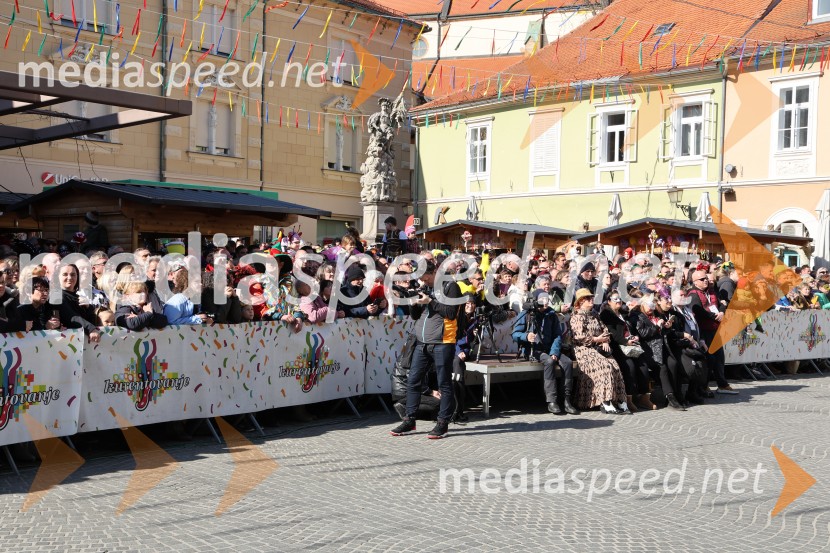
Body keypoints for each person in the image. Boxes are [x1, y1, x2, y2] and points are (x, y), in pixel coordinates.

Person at [390, 260, 462, 439]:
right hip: (422, 342)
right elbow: (415, 316)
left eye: (425, 277)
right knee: (413, 381)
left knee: (444, 383)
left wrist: (430, 301)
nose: (423, 281)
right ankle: (410, 420)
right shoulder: (426, 287)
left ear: (434, 272)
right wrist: (414, 304)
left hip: (443, 341)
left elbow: (451, 313)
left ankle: (443, 422)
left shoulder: (450, 286)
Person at [512, 289, 579, 415]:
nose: (546, 302)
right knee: (549, 362)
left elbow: (557, 336)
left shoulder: (551, 314)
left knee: (568, 362)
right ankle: (551, 400)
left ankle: (566, 400)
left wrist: (554, 352)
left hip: (549, 348)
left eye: (547, 299)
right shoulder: (526, 314)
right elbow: (514, 334)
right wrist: (526, 337)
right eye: (542, 299)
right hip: (532, 349)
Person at [569, 288, 630, 414]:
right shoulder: (577, 316)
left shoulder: (595, 314)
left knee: (615, 367)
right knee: (605, 367)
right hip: (584, 349)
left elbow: (605, 329)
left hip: (599, 347)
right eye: (587, 298)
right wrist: (597, 339)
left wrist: (605, 340)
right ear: (580, 302)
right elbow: (578, 337)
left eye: (591, 298)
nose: (591, 300)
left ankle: (620, 400)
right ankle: (605, 401)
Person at [600, 291, 655, 412]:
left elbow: (632, 329)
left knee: (643, 366)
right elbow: (612, 333)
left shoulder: (623, 313)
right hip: (617, 347)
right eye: (615, 299)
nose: (619, 301)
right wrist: (625, 341)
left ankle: (644, 397)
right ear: (609, 302)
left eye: (620, 298)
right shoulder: (606, 314)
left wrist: (634, 337)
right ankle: (628, 399)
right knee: (630, 367)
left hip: (630, 346)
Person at [688, 269, 736, 395]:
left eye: (707, 279)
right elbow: (698, 310)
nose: (706, 281)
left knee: (720, 358)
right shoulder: (693, 294)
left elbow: (721, 304)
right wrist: (714, 316)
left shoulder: (712, 291)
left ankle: (722, 384)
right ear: (695, 282)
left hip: (715, 329)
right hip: (703, 330)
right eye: (702, 279)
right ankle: (704, 385)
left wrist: (722, 312)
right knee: (709, 359)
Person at [57, 264, 101, 343]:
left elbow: (91, 319)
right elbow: (72, 316)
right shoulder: (56, 295)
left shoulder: (79, 297)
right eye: (65, 274)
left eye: (73, 274)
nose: (70, 278)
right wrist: (91, 329)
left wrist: (88, 308)